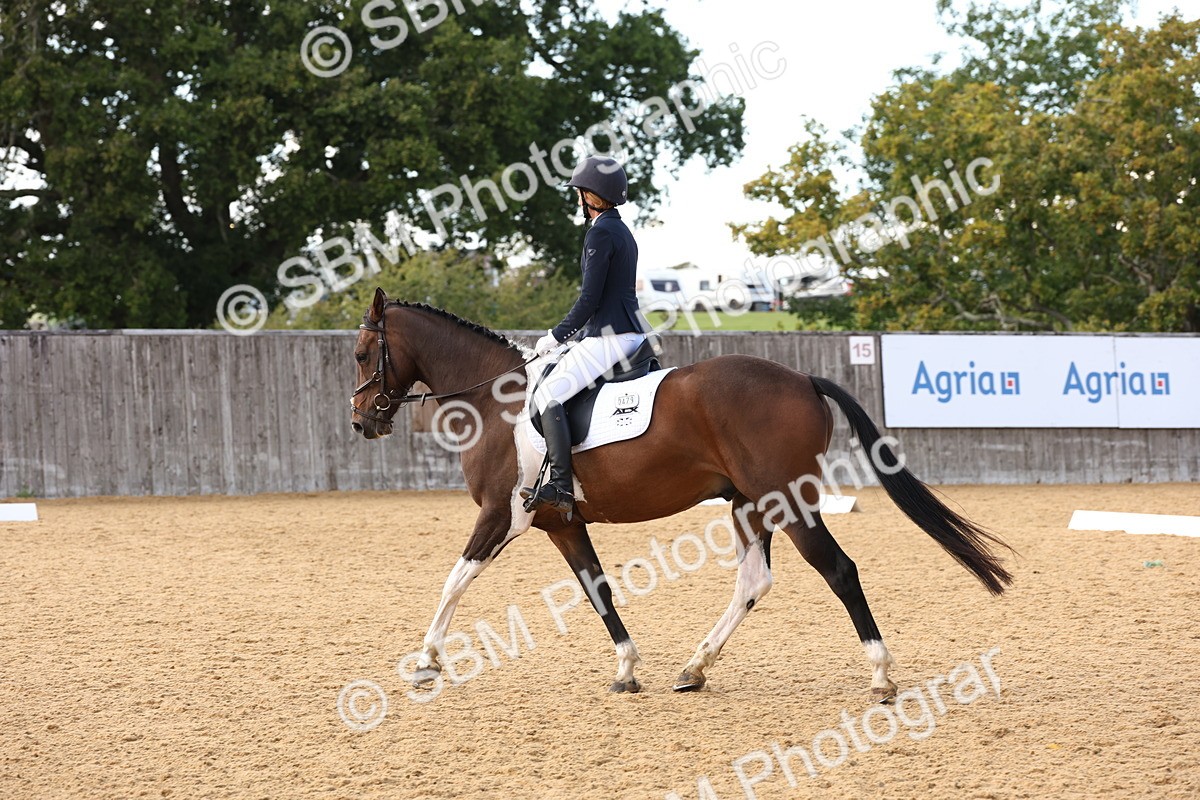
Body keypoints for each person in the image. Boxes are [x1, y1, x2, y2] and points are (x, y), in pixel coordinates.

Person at [520, 155, 651, 515]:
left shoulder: (600, 232)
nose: (577, 198)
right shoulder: (621, 230)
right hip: (630, 333)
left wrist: (557, 335)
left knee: (548, 396)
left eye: (579, 192)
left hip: (608, 337)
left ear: (591, 195)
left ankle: (561, 485)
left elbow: (589, 298)